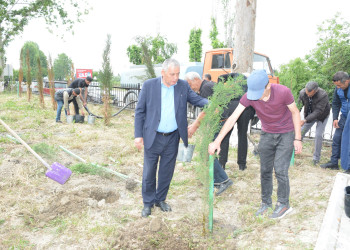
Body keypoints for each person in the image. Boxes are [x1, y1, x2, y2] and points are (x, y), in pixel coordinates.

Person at [208, 69, 302, 219]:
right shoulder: (249, 96)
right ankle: (266, 203)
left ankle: (284, 203)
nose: (256, 97)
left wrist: (297, 138)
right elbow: (232, 118)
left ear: (268, 86)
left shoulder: (283, 92)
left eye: (259, 93)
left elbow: (295, 112)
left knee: (280, 170)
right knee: (265, 170)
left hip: (286, 133)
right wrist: (217, 141)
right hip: (267, 134)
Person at [134, 58, 208, 218]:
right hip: (152, 136)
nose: (176, 77)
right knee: (148, 172)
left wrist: (213, 103)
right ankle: (148, 203)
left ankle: (160, 199)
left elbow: (197, 100)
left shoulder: (182, 86)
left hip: (172, 137)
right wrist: (138, 135)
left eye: (178, 74)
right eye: (172, 74)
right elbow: (140, 111)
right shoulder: (149, 86)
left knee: (166, 172)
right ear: (163, 73)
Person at [185, 72, 233, 196]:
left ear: (196, 79)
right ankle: (216, 179)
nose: (190, 88)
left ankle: (223, 180)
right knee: (207, 151)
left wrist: (194, 127)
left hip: (220, 122)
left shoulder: (205, 88)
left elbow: (208, 111)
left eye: (190, 84)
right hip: (219, 121)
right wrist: (195, 124)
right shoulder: (207, 86)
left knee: (206, 151)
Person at [217, 73, 256, 171]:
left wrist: (220, 87)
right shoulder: (250, 84)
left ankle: (222, 164)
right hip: (245, 107)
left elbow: (220, 77)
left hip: (230, 104)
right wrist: (251, 115)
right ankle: (242, 165)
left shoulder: (234, 76)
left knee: (225, 135)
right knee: (242, 135)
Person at [320, 71, 350, 169]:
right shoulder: (338, 89)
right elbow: (336, 103)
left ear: (347, 81)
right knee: (337, 139)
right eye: (336, 85)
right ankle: (334, 163)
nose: (338, 87)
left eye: (339, 85)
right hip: (344, 117)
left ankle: (348, 165)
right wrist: (335, 118)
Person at [299, 81, 330, 166]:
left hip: (322, 115)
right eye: (307, 93)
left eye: (310, 94)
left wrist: (305, 120)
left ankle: (316, 158)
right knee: (300, 131)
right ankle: (294, 151)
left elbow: (318, 111)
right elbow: (301, 105)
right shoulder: (302, 93)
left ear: (315, 91)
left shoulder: (323, 95)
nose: (308, 95)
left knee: (318, 135)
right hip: (310, 115)